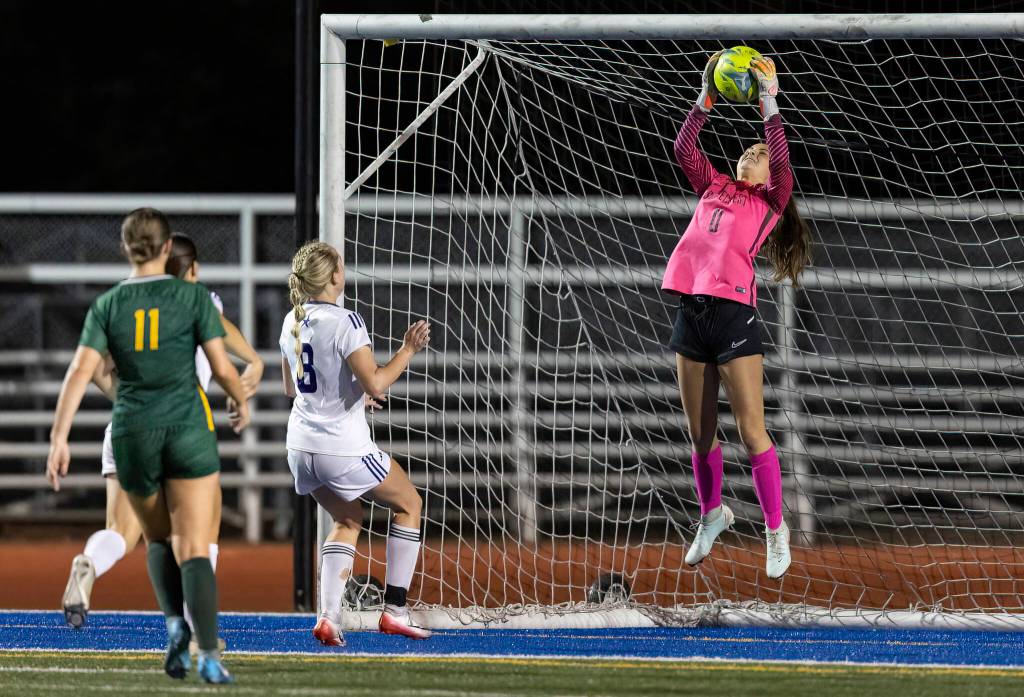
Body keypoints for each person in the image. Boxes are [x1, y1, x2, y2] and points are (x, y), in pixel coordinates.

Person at [47, 209, 251, 683]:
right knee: (197, 544)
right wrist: (241, 397)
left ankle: (165, 618)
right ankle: (206, 648)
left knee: (147, 536)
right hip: (184, 427)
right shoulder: (194, 297)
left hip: (130, 429)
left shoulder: (109, 305)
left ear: (125, 249)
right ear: (166, 249)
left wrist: (59, 437)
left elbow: (83, 371)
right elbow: (222, 366)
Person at [662, 54, 811, 579]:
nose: (753, 153)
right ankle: (711, 515)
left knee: (751, 431)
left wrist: (769, 98)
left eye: (760, 152)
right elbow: (683, 147)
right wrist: (707, 93)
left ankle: (776, 529)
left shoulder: (770, 201)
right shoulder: (713, 184)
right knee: (700, 434)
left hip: (733, 317)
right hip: (692, 311)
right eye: (746, 149)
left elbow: (780, 154)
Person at [279, 241, 431, 647]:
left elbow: (292, 389)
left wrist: (353, 395)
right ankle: (395, 610)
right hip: (340, 448)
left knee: (347, 520)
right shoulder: (347, 321)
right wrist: (407, 350)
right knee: (409, 504)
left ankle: (329, 617)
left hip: (300, 448)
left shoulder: (291, 320)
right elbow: (378, 381)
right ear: (334, 277)